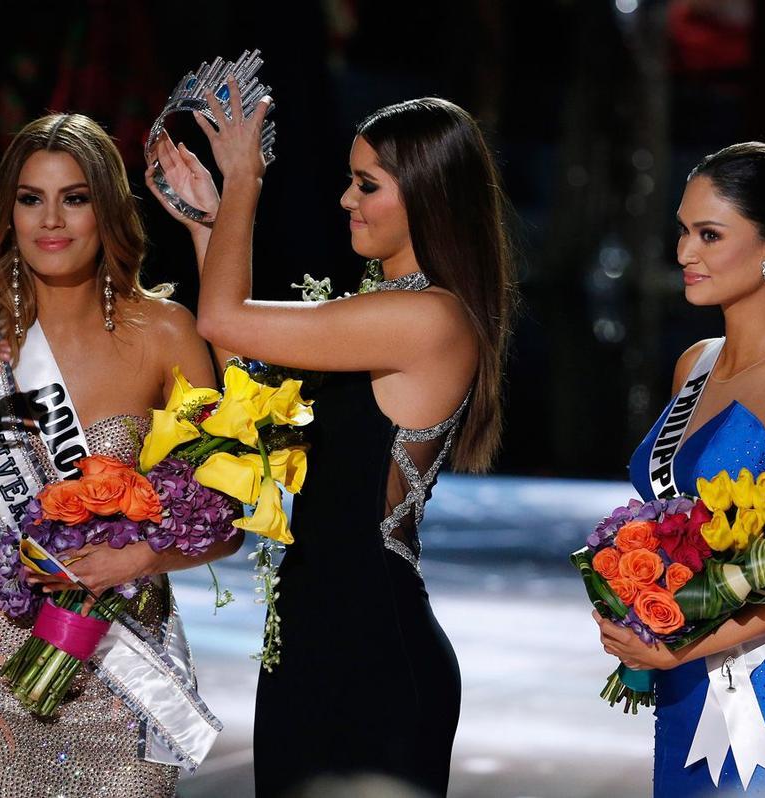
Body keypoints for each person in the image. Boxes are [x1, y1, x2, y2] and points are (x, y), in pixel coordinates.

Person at [147, 85, 515, 796]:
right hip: (309, 639)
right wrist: (208, 227)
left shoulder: (428, 318)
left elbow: (223, 320)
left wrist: (245, 180)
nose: (347, 199)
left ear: (428, 196)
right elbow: (253, 406)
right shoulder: (380, 313)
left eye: (367, 184)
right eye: (352, 179)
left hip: (371, 651)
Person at [0, 113, 242, 797]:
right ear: (10, 212)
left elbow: (225, 515)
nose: (51, 220)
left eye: (75, 197)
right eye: (32, 198)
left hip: (127, 670)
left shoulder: (164, 333)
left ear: (106, 210)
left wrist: (141, 557)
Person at [595, 142, 765, 796]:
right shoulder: (696, 363)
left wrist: (681, 643)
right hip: (683, 693)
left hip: (764, 704)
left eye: (709, 235)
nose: (685, 254)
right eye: (683, 232)